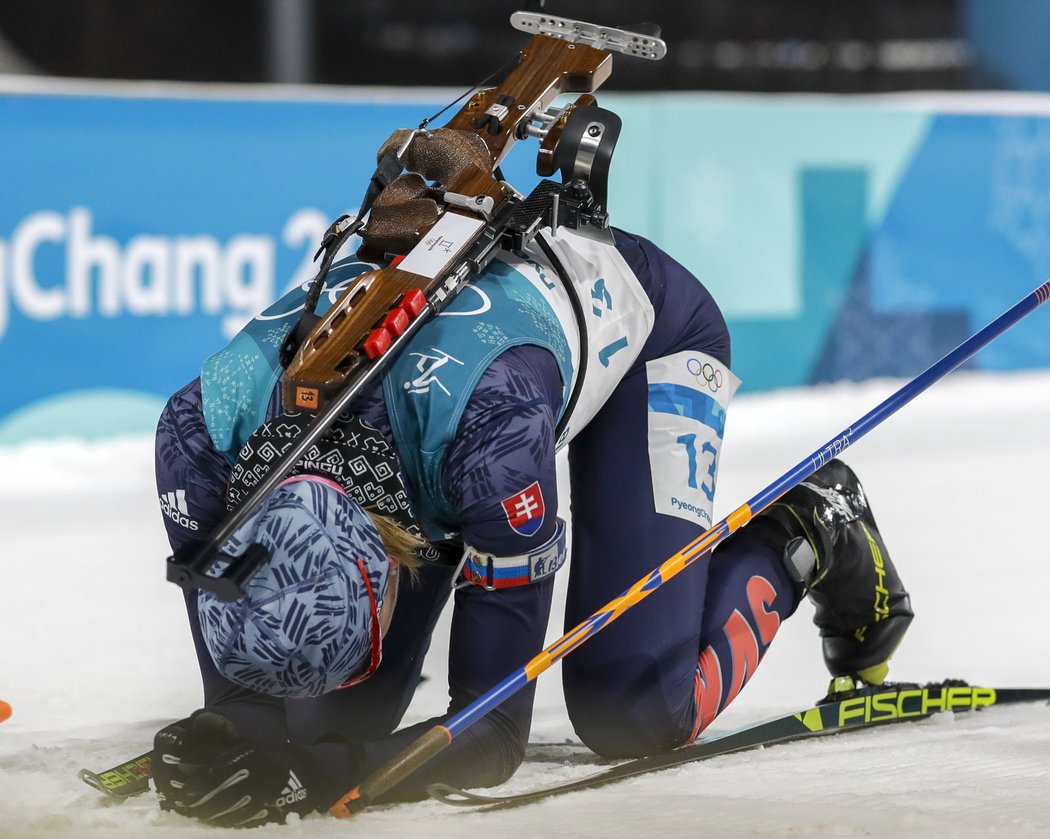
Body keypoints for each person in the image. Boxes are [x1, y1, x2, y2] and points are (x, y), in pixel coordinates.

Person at [152, 194, 913, 826]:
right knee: (329, 719)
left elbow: (490, 729)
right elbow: (248, 685)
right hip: (427, 434)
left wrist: (318, 775)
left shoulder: (493, 446)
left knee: (635, 709)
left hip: (642, 335)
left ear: (385, 563)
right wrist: (240, 727)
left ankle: (811, 522)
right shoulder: (198, 439)